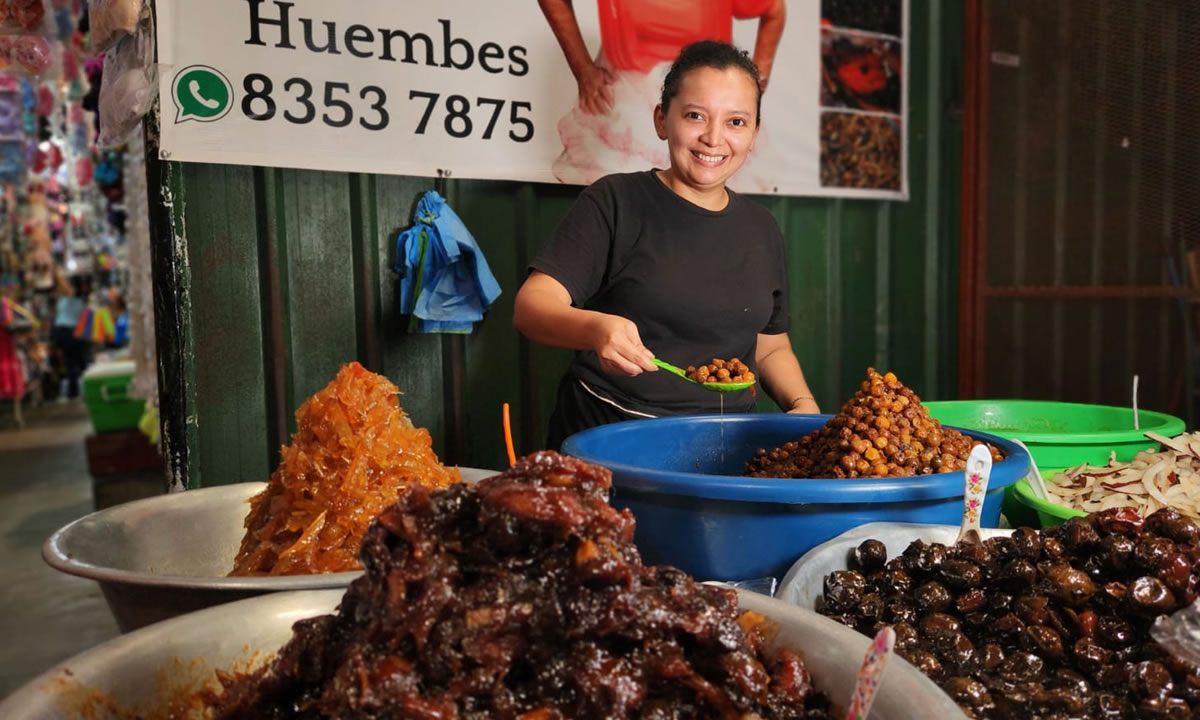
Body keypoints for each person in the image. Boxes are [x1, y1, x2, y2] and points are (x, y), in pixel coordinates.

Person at [513, 39, 819, 450]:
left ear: (754, 134)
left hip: (726, 446)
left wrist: (804, 406)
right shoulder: (616, 201)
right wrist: (595, 327)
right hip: (610, 436)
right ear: (662, 120)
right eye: (695, 115)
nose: (714, 138)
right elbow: (532, 307)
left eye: (736, 122)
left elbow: (769, 346)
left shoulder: (761, 227)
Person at [538, 0, 785, 189]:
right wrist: (583, 69)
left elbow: (773, 8)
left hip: (708, 109)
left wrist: (751, 87)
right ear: (661, 120)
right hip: (622, 111)